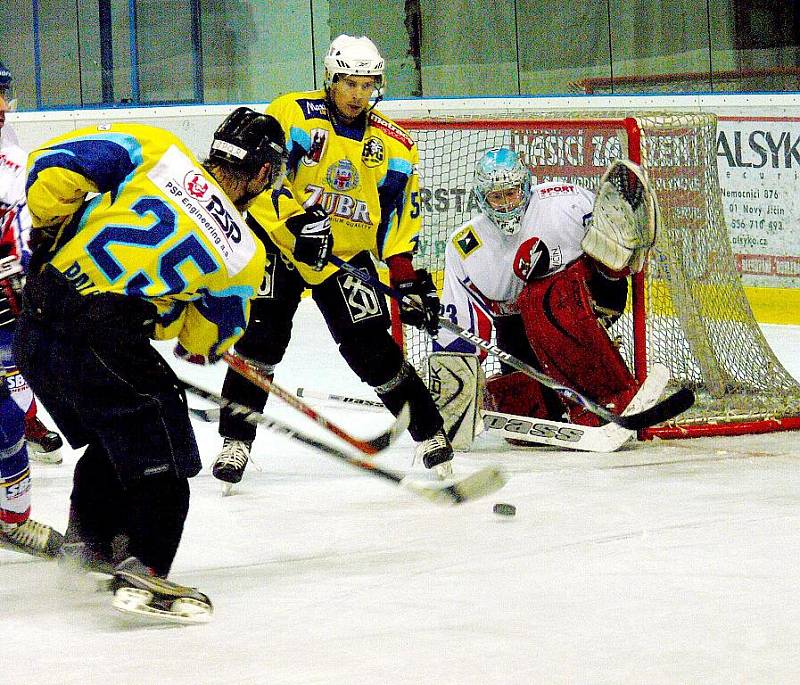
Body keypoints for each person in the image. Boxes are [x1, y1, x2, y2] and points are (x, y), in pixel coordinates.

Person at [14, 107, 287, 620]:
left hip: (37, 324)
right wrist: (166, 315)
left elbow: (50, 166)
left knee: (113, 438)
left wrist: (51, 233)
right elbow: (202, 341)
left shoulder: (158, 149)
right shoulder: (243, 254)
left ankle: (87, 549)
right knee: (165, 457)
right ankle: (146, 567)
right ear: (263, 172)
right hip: (103, 340)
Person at [211, 34, 453, 485]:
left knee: (372, 348)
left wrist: (403, 273)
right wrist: (296, 225)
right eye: (349, 84)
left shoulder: (394, 145)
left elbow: (399, 213)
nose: (358, 95)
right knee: (259, 342)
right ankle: (236, 440)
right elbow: (263, 179)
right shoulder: (293, 114)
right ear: (331, 78)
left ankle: (430, 433)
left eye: (367, 85)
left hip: (344, 255)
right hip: (282, 247)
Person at [430, 147, 658, 447]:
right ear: (481, 198)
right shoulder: (465, 245)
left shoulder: (567, 202)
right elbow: (464, 321)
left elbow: (614, 256)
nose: (505, 204)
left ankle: (609, 394)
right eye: (496, 198)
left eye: (511, 193)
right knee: (528, 418)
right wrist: (455, 386)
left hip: (581, 300)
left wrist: (558, 264)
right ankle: (545, 402)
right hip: (517, 326)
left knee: (544, 299)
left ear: (524, 186)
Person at [0, 92, 65, 559]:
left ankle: (12, 519)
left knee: (7, 420)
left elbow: (33, 224)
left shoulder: (15, 162)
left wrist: (25, 268)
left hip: (4, 310)